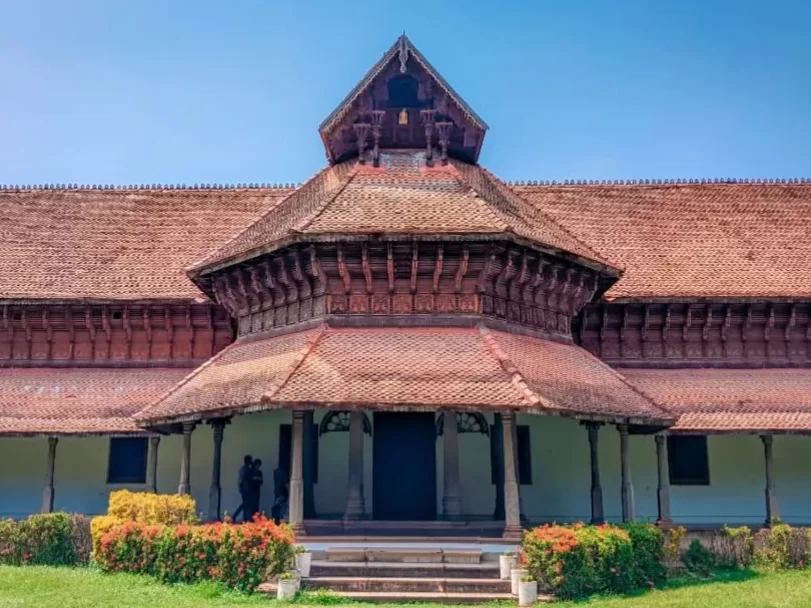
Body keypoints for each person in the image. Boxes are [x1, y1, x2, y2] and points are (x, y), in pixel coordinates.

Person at [233, 455, 252, 522]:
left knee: (246, 504)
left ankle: (245, 518)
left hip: (245, 488)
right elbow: (242, 480)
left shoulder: (244, 469)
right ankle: (235, 515)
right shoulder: (245, 469)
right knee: (245, 504)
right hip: (245, 489)